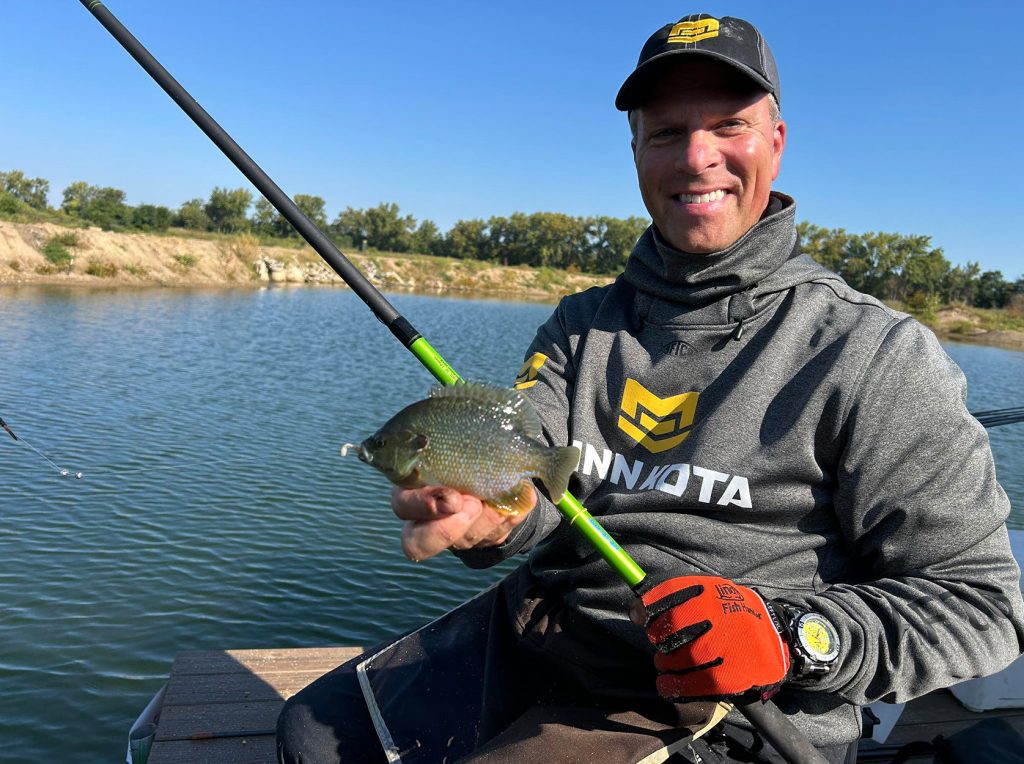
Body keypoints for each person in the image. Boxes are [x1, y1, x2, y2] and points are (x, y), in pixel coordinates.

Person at [277, 13, 1024, 764]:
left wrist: (794, 636)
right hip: (547, 635)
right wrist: (494, 516)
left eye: (729, 125)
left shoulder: (876, 353)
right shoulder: (581, 324)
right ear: (635, 150)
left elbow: (983, 604)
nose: (697, 158)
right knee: (311, 739)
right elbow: (532, 477)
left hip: (725, 706)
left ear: (777, 141)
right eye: (666, 132)